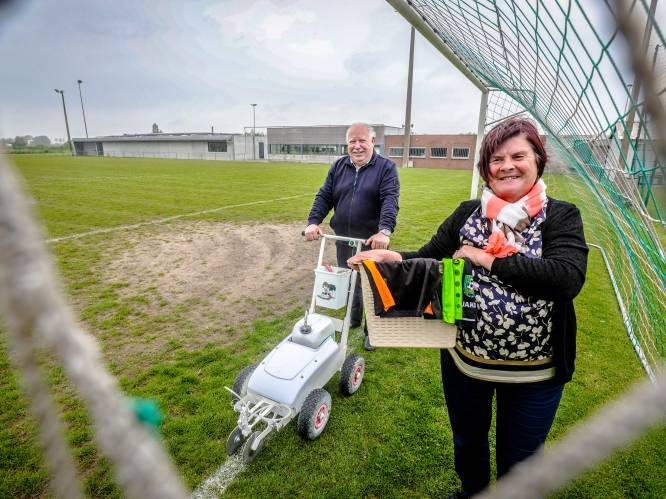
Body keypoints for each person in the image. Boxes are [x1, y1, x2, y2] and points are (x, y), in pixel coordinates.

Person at [348, 118, 588, 497]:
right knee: (467, 442)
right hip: (465, 363)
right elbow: (429, 257)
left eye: (518, 156)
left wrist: (486, 259)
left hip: (535, 375)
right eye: (496, 159)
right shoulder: (467, 213)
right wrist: (394, 256)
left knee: (521, 461)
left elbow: (565, 279)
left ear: (537, 161)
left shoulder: (560, 215)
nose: (506, 165)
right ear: (485, 169)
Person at [305, 122, 400, 351]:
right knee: (349, 282)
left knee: (373, 287)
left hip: (370, 241)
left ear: (372, 142)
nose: (357, 146)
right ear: (347, 144)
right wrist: (313, 222)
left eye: (362, 141)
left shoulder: (385, 168)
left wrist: (384, 230)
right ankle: (354, 318)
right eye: (352, 142)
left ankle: (373, 331)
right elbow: (325, 196)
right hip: (344, 238)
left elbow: (390, 199)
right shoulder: (338, 166)